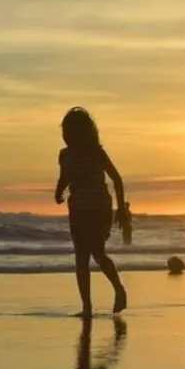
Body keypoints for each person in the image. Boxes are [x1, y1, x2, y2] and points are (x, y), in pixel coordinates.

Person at [55, 107, 129, 315]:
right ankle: (86, 306)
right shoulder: (65, 155)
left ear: (86, 132)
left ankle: (119, 288)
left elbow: (117, 178)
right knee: (81, 257)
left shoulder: (97, 152)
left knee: (97, 253)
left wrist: (121, 208)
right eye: (65, 132)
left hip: (98, 209)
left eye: (72, 131)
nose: (67, 136)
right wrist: (58, 192)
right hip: (77, 209)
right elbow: (65, 177)